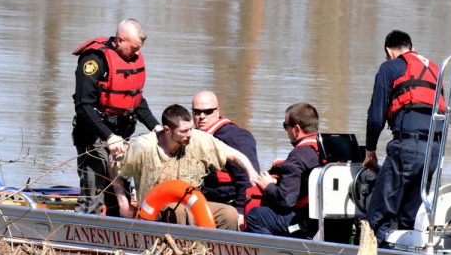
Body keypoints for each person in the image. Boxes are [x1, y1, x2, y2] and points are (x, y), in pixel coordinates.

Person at [112, 104, 260, 230]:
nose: (189, 135)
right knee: (180, 211)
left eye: (190, 129)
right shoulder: (143, 146)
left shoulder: (198, 139)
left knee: (229, 214)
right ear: (167, 130)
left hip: (192, 205)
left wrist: (250, 170)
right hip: (154, 209)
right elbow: (113, 163)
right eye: (183, 131)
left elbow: (234, 155)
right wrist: (123, 203)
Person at [363, 30, 446, 245]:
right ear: (410, 46)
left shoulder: (390, 67)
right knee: (411, 213)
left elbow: (376, 116)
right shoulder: (435, 69)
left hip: (407, 147)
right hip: (434, 149)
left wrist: (370, 150)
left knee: (379, 213)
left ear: (390, 51)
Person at [71, 18, 161, 217]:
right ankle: (81, 234)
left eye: (139, 48)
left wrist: (156, 127)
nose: (137, 53)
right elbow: (83, 104)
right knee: (94, 191)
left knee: (119, 193)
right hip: (94, 135)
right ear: (120, 40)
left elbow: (136, 100)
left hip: (122, 136)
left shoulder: (131, 59)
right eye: (134, 48)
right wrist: (108, 136)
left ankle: (116, 234)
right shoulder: (94, 60)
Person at [244, 102, 321, 237]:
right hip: (319, 217)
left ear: (296, 129)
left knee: (255, 216)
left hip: (303, 222)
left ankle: (273, 253)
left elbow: (286, 200)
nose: (285, 130)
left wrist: (267, 186)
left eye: (285, 126)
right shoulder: (322, 148)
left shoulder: (298, 155)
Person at [191, 90, 260, 216]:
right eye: (197, 112)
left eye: (208, 111)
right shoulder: (192, 136)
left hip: (227, 208)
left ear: (217, 111)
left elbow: (247, 181)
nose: (201, 116)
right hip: (201, 201)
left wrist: (240, 213)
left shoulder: (235, 137)